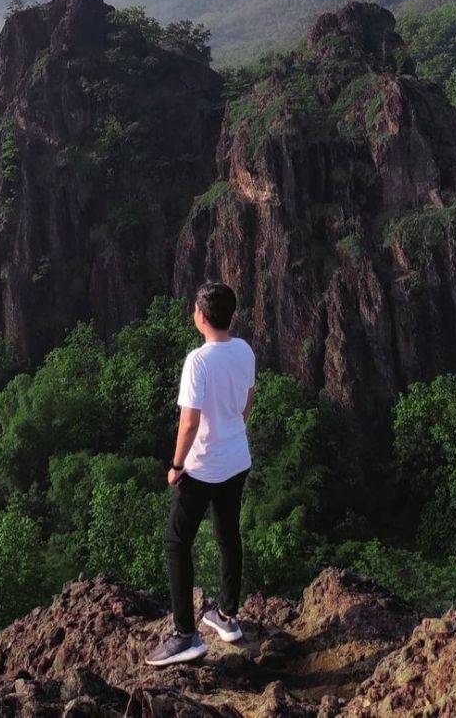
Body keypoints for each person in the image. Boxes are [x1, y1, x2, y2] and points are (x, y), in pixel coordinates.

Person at [145, 282, 255, 667]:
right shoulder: (243, 350)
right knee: (228, 535)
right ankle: (226, 617)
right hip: (237, 461)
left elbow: (189, 422)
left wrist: (176, 467)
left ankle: (185, 636)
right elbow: (247, 400)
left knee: (177, 543)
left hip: (202, 466)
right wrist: (232, 428)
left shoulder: (198, 361)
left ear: (201, 317)